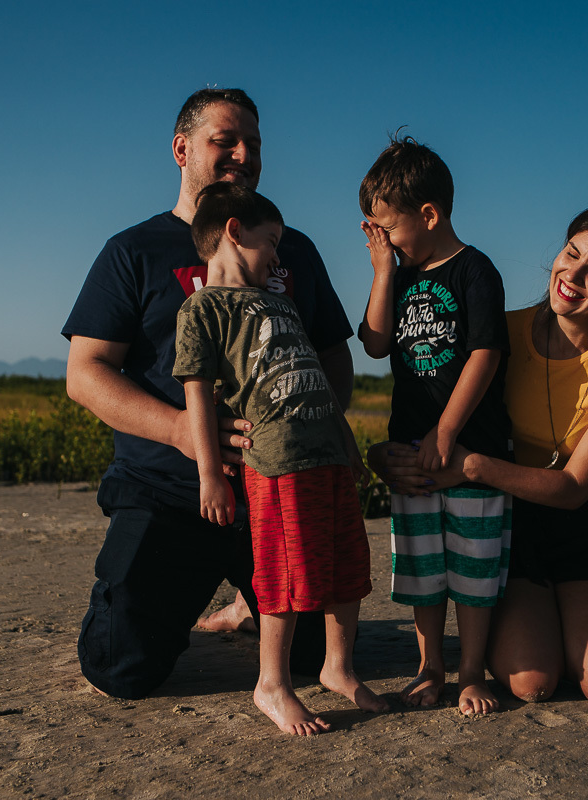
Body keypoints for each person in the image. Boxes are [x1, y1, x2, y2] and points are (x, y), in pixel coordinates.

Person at [61, 88, 355, 700]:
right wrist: (181, 432)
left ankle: (250, 606)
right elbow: (84, 373)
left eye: (254, 144)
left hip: (276, 491)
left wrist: (310, 430)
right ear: (182, 149)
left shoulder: (288, 247)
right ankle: (186, 596)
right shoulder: (132, 251)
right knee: (119, 667)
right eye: (226, 141)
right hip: (170, 491)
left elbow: (333, 354)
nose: (244, 155)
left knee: (308, 654)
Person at [369, 199, 588, 704]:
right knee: (531, 682)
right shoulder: (498, 334)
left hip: (582, 525)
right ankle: (547, 624)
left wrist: (471, 466)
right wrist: (387, 456)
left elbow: (572, 489)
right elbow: (421, 399)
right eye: (571, 253)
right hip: (510, 525)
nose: (572, 275)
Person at [174, 182, 387, 735]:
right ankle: (271, 684)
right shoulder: (203, 308)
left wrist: (346, 441)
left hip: (327, 455)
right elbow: (198, 394)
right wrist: (208, 475)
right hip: (276, 461)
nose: (276, 254)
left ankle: (338, 668)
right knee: (285, 574)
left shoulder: (279, 300)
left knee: (346, 565)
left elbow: (312, 372)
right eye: (271, 241)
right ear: (234, 231)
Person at [357, 136, 512, 715]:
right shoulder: (395, 275)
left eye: (387, 229)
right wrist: (381, 270)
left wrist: (447, 431)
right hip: (409, 453)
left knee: (471, 568)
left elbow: (485, 352)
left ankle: (472, 669)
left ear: (430, 214)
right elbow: (373, 344)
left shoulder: (475, 269)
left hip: (469, 446)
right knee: (424, 570)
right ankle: (431, 665)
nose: (384, 241)